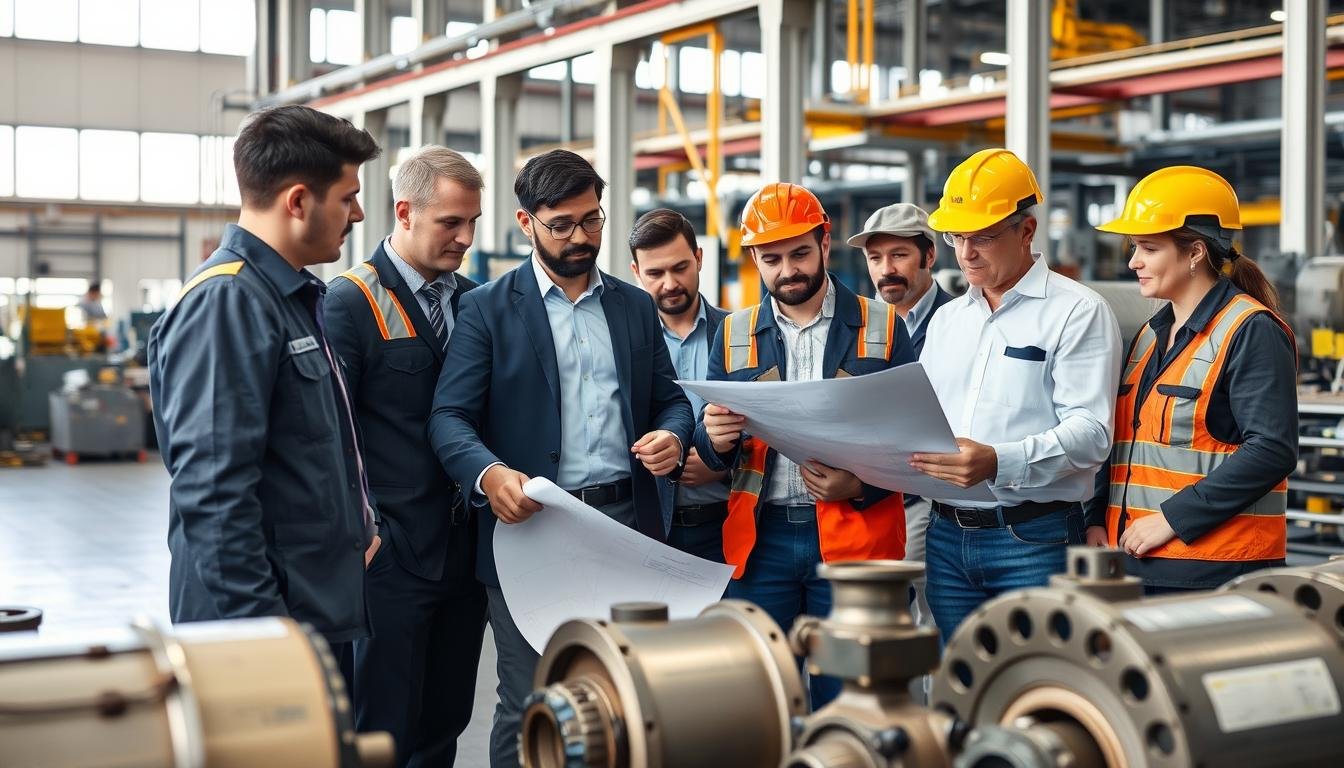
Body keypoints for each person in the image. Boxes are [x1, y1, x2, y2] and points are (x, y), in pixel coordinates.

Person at [428, 149, 693, 768]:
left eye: (592, 219)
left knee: (623, 697)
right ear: (526, 223)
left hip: (625, 526)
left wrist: (673, 437)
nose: (581, 237)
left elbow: (671, 401)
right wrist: (489, 473)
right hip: (532, 532)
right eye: (562, 225)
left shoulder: (633, 307)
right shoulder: (487, 308)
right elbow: (448, 417)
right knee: (532, 700)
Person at [148, 106, 382, 657]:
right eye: (347, 197)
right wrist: (263, 639)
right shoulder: (228, 303)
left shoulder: (287, 297)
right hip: (259, 626)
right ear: (298, 201)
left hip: (307, 607)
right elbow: (214, 495)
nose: (357, 213)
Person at [696, 182, 916, 709]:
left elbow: (915, 444)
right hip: (761, 543)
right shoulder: (732, 334)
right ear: (754, 259)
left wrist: (858, 485)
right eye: (771, 259)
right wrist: (714, 439)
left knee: (853, 703)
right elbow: (711, 446)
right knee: (759, 702)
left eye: (799, 253)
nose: (787, 270)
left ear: (825, 242)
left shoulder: (884, 326)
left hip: (856, 540)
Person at [913, 148, 1122, 641]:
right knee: (958, 673)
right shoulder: (947, 321)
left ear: (1026, 231)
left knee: (1036, 673)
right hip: (944, 537)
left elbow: (1092, 434)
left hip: (1033, 539)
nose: (966, 253)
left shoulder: (1077, 312)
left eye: (982, 237)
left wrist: (997, 462)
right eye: (956, 237)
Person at [323, 146, 487, 766]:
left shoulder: (474, 302)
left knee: (445, 720)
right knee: (383, 728)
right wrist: (363, 534)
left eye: (472, 222)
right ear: (404, 212)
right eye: (451, 222)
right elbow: (330, 434)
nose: (465, 238)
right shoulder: (349, 303)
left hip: (464, 554)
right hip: (389, 559)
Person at [1083, 166, 1296, 593]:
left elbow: (1272, 450)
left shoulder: (1250, 329)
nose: (1133, 261)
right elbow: (1125, 437)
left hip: (1215, 569)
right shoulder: (1150, 335)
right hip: (1134, 559)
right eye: (1134, 247)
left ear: (1195, 252)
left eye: (1149, 248)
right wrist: (1095, 518)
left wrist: (1171, 519)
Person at [851, 202, 953, 635]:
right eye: (875, 258)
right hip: (860, 497)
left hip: (928, 496)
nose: (886, 269)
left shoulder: (960, 321)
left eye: (899, 255)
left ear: (929, 255)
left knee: (928, 622)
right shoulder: (854, 325)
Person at [628, 208, 731, 563]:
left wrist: (723, 464)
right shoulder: (625, 343)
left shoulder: (739, 335)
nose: (670, 283)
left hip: (728, 523)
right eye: (655, 273)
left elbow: (766, 427)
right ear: (636, 272)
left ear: (699, 259)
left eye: (680, 267)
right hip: (651, 529)